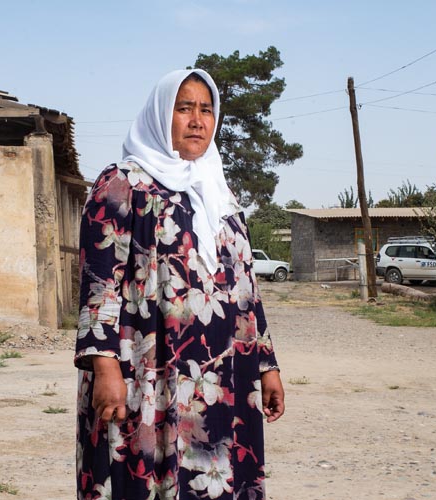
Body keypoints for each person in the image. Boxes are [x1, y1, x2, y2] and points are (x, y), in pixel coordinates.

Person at [75, 68, 285, 500]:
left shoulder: (221, 198)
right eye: (184, 108)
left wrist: (267, 366)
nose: (197, 120)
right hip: (145, 377)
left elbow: (245, 290)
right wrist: (104, 365)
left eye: (206, 110)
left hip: (220, 380)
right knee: (139, 477)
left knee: (215, 479)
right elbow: (101, 281)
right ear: (160, 115)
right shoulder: (123, 184)